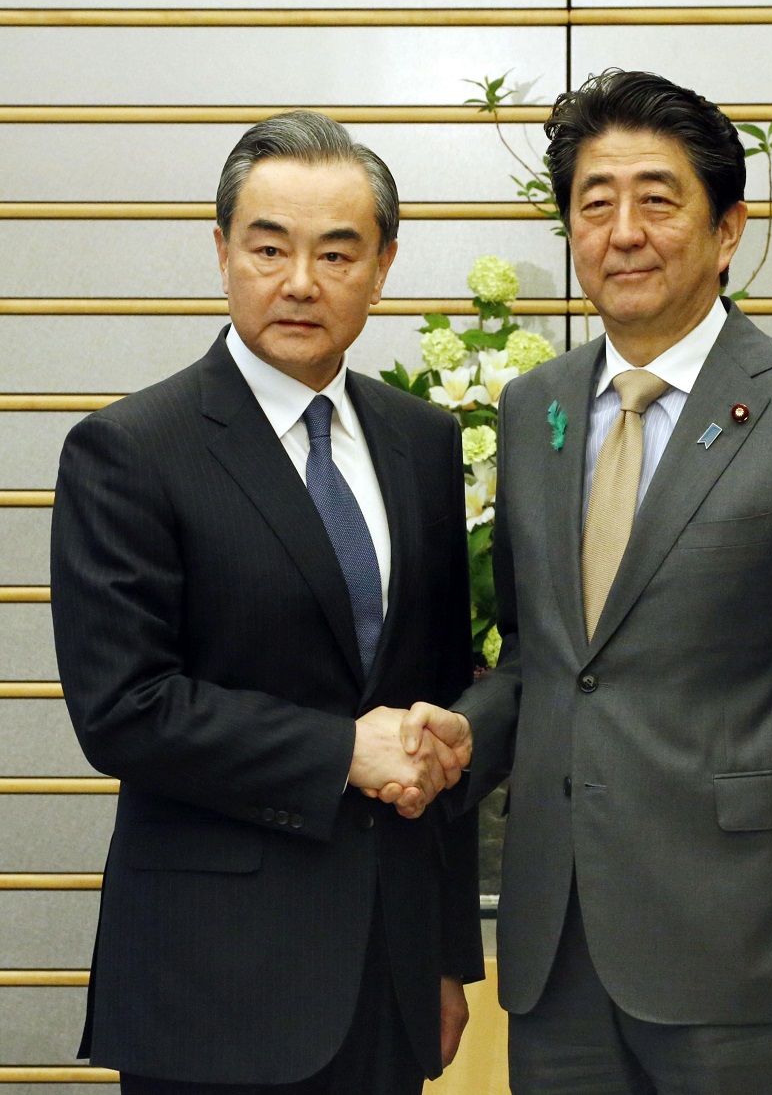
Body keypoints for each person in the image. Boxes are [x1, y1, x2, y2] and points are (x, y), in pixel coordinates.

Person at [398, 70, 772, 1094]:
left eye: (657, 199)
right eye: (595, 204)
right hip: (558, 948)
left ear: (727, 230)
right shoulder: (533, 407)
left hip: (749, 950)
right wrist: (459, 734)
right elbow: (550, 660)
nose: (623, 232)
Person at [50, 109, 482, 1095]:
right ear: (222, 251)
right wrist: (342, 751)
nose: (300, 282)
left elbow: (438, 707)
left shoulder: (423, 441)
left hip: (388, 975)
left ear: (382, 266)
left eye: (337, 252)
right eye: (269, 247)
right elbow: (124, 709)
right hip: (212, 983)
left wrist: (449, 954)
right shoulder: (132, 449)